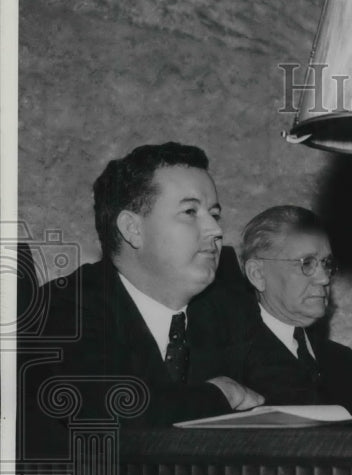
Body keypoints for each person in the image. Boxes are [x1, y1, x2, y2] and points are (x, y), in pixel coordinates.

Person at [31, 142, 263, 427]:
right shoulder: (61, 309)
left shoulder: (232, 309)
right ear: (133, 229)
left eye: (214, 215)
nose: (216, 230)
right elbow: (113, 411)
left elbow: (290, 395)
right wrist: (219, 394)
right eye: (190, 212)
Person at [236, 205, 352, 410]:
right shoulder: (233, 358)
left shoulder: (340, 360)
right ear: (257, 274)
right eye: (306, 263)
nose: (323, 278)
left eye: (326, 263)